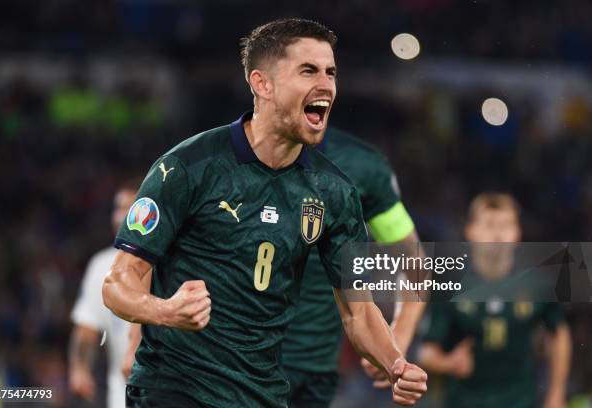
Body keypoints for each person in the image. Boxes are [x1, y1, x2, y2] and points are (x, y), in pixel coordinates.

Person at [102, 18, 427, 408]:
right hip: (174, 388)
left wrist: (395, 364)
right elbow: (118, 283)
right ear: (262, 84)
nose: (326, 84)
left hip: (262, 395)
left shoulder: (335, 192)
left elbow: (359, 313)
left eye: (331, 72)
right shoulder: (188, 167)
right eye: (308, 70)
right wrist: (165, 311)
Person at [283, 127, 426, 407]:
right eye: (306, 77)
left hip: (315, 373)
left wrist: (396, 341)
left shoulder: (363, 167)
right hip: (239, 367)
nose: (322, 84)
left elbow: (415, 266)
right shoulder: (223, 160)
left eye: (330, 78)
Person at [418, 192, 571, 408]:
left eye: (506, 225)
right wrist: (449, 363)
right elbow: (426, 353)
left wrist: (556, 393)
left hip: (522, 402)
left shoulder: (538, 284)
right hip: (463, 402)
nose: (498, 234)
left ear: (518, 232)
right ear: (470, 231)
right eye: (490, 224)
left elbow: (558, 333)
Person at [69, 180, 138, 407]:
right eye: (118, 208)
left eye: (131, 207)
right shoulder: (100, 266)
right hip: (121, 397)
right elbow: (87, 328)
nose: (121, 216)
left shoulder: (170, 261)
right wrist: (80, 367)